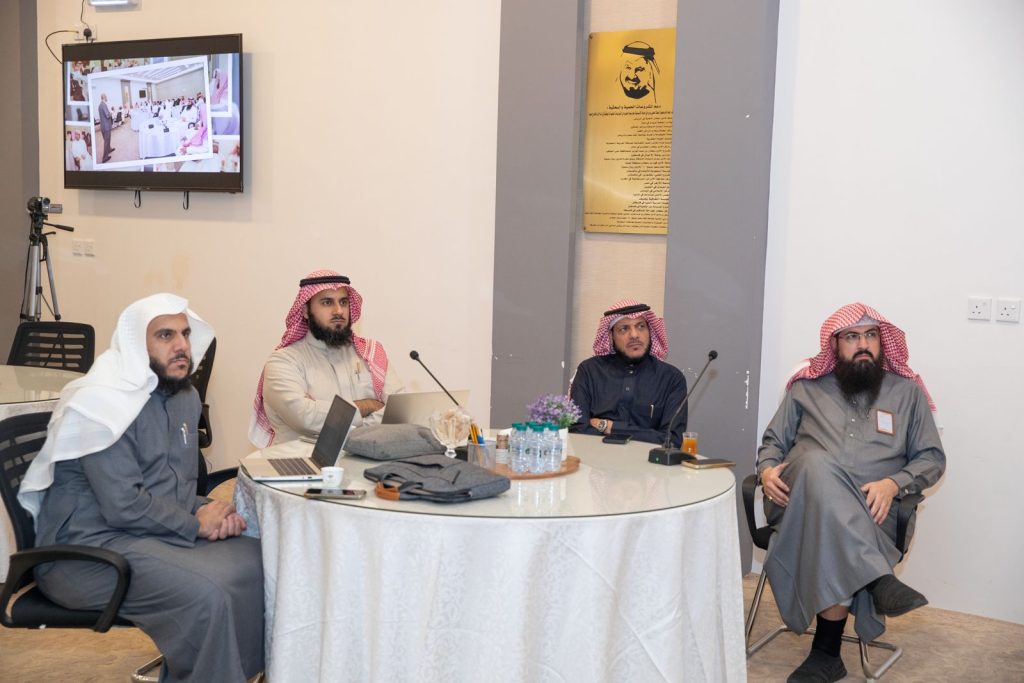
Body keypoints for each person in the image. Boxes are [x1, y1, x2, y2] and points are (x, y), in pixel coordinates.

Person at [18, 293, 264, 682]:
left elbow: (173, 485)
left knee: (257, 558)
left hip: (144, 533)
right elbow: (123, 505)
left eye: (185, 334)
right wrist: (197, 525)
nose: (181, 346)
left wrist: (209, 511)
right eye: (165, 335)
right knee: (209, 593)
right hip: (87, 553)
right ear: (136, 344)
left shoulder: (185, 397)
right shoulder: (102, 403)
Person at [757, 302, 946, 683]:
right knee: (815, 463)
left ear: (882, 342)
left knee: (833, 529)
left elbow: (932, 458)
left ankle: (826, 654)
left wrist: (894, 483)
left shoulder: (907, 394)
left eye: (871, 335)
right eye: (852, 337)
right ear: (835, 345)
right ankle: (875, 578)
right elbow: (773, 443)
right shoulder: (806, 389)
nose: (863, 344)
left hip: (875, 513)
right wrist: (766, 470)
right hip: (799, 505)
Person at [250, 270, 404, 447]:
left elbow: (399, 411)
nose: (338, 311)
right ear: (305, 311)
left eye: (343, 302)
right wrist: (368, 406)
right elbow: (306, 417)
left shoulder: (370, 353)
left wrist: (332, 417)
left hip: (363, 459)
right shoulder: (283, 361)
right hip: (300, 460)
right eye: (327, 302)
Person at [568, 299, 687, 445]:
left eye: (641, 326)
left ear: (650, 332)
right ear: (611, 337)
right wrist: (646, 435)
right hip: (595, 456)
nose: (634, 335)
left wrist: (608, 426)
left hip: (648, 459)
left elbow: (672, 440)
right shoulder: (589, 371)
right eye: (624, 328)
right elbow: (578, 430)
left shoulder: (671, 378)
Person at [98, 93, 115, 162]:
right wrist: (111, 113)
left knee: (107, 140)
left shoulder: (100, 105)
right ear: (104, 97)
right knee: (106, 141)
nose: (107, 98)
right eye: (106, 97)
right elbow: (107, 115)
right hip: (106, 126)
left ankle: (109, 149)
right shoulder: (104, 105)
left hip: (103, 126)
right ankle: (104, 158)